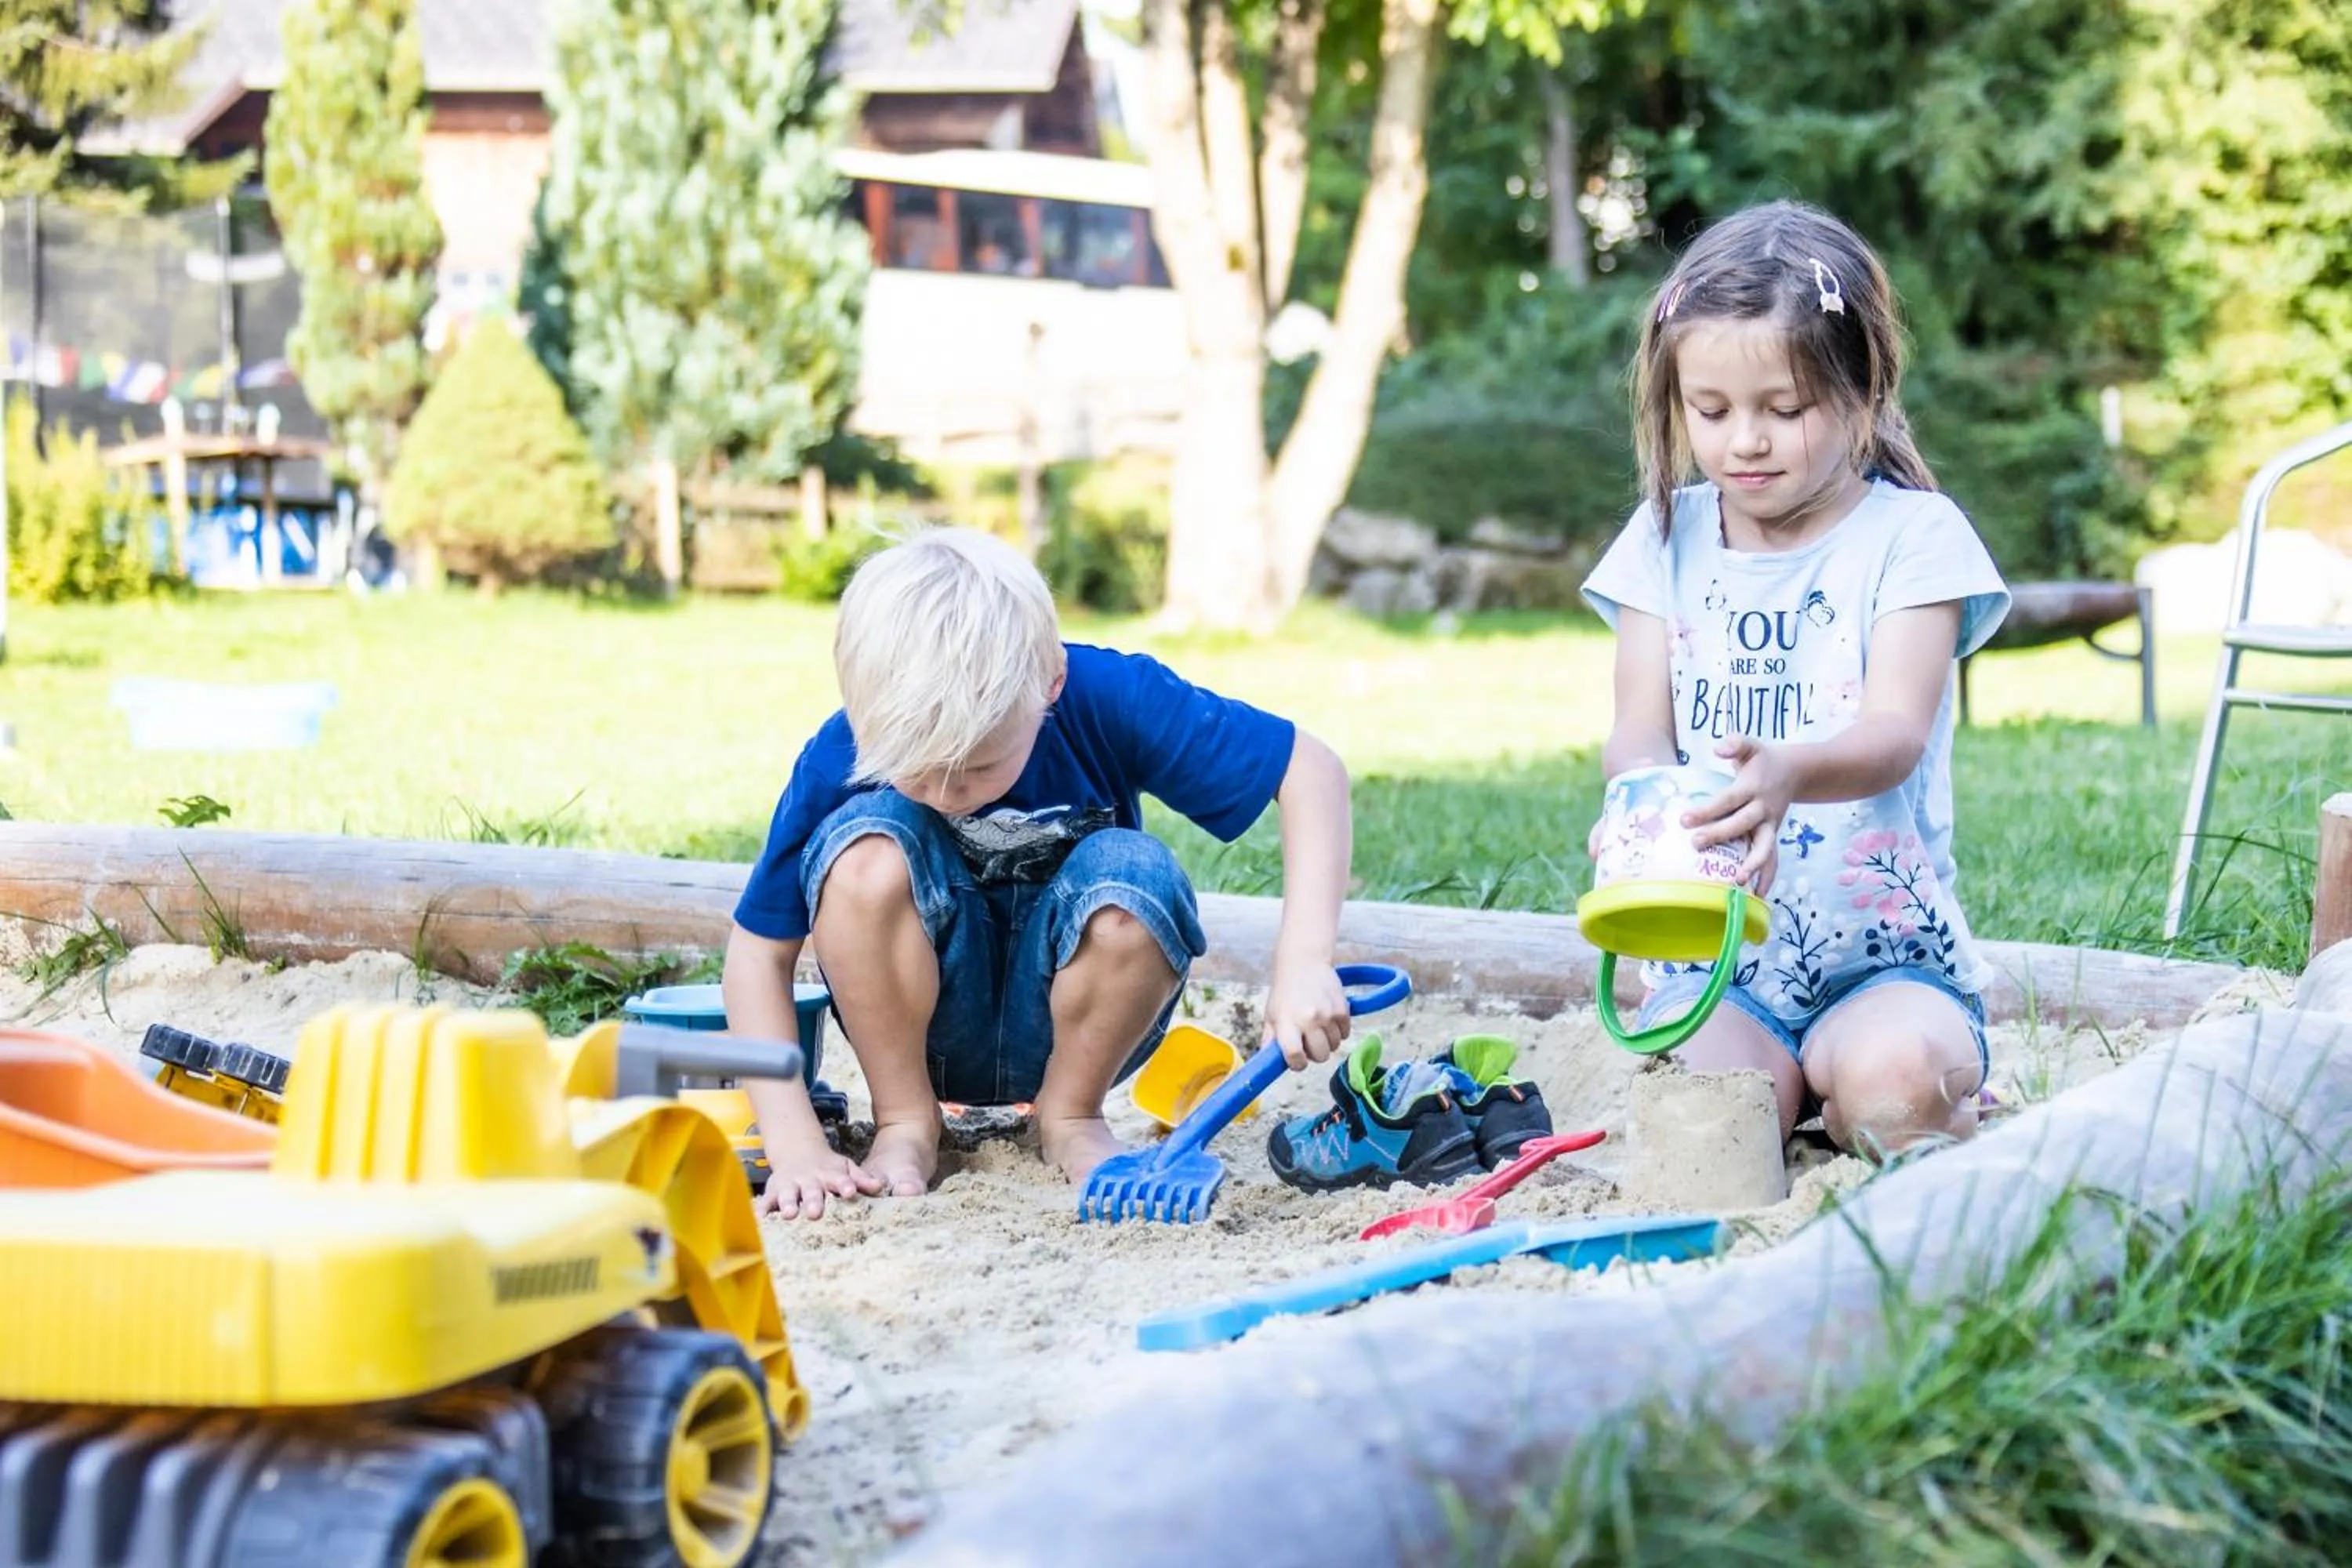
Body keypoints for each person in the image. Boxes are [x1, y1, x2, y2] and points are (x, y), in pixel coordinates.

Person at [723, 527, 1355, 1218]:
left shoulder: (1109, 695)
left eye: (978, 767)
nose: (945, 792)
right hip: (919, 1030)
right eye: (913, 770)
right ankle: (907, 1121)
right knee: (863, 855)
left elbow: (1309, 771)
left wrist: (1304, 963)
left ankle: (1070, 1118)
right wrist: (793, 1142)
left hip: (1072, 1027)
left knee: (1136, 871)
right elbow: (757, 953)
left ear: (1050, 682)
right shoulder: (844, 745)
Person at [1580, 199, 2013, 1158]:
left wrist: (1787, 772)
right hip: (1722, 956)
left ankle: (1894, 1079)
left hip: (1883, 958)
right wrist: (1639, 800)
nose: (1745, 442)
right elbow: (1638, 727)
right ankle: (1781, 1081)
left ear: (1863, 394)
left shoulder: (1914, 538)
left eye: (1785, 409)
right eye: (1712, 410)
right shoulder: (1662, 540)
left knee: (1896, 1095)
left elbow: (1896, 730)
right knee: (1710, 1133)